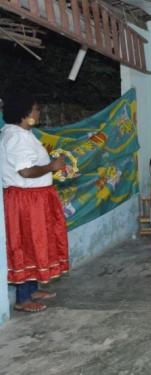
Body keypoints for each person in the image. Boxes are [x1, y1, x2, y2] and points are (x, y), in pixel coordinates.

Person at [0, 94, 68, 312]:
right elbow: (26, 171)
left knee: (36, 242)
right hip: (26, 200)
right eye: (36, 109)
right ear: (24, 113)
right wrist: (51, 167)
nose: (38, 113)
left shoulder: (24, 134)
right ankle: (22, 298)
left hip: (35, 197)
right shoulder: (16, 136)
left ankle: (32, 288)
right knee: (26, 244)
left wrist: (52, 166)